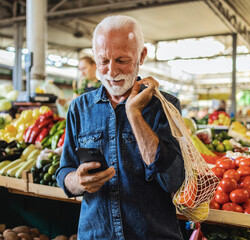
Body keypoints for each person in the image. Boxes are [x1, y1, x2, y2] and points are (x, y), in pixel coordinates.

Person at [56, 15, 185, 239]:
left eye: (122, 60)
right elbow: (64, 171)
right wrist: (78, 180)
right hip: (96, 234)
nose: (112, 71)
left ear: (142, 56)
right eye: (103, 61)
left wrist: (134, 114)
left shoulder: (167, 107)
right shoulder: (79, 107)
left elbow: (173, 179)